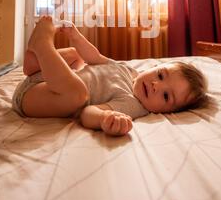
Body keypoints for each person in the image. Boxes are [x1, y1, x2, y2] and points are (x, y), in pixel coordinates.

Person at [12, 16, 208, 137]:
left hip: (34, 99)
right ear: (155, 67)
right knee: (76, 55)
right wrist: (76, 37)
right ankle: (34, 65)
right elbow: (95, 57)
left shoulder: (133, 105)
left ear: (167, 112)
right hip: (44, 80)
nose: (156, 85)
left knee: (78, 95)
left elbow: (88, 113)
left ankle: (43, 45)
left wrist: (105, 118)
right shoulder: (128, 71)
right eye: (160, 75)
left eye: (166, 96)